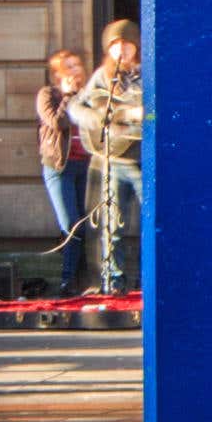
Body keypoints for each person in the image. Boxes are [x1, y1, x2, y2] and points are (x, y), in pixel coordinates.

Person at [68, 20, 145, 293]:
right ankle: (114, 280)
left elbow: (155, 115)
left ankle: (150, 279)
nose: (121, 50)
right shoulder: (103, 76)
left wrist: (138, 117)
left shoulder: (148, 75)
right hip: (113, 161)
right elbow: (76, 106)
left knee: (151, 220)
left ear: (136, 45)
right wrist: (96, 118)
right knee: (112, 226)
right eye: (115, 45)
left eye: (126, 44)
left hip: (142, 162)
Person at [32, 45, 93, 253]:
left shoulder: (88, 95)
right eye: (69, 67)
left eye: (77, 65)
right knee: (70, 224)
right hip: (60, 168)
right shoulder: (47, 95)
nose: (75, 70)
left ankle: (81, 278)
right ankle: (68, 280)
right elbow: (57, 122)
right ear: (57, 73)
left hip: (85, 165)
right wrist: (67, 96)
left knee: (86, 226)